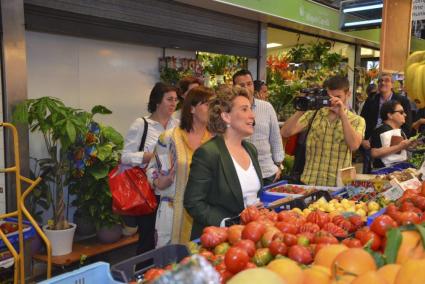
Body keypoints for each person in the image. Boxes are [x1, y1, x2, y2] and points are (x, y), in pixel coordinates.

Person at [184, 87, 263, 239]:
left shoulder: (251, 150)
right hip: (219, 239)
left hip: (250, 236)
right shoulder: (208, 153)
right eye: (244, 109)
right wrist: (229, 222)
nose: (252, 115)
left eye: (250, 109)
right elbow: (193, 203)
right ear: (226, 116)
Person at [146, 86, 213, 247]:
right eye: (207, 104)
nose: (212, 109)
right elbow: (152, 169)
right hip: (172, 214)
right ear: (192, 108)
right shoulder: (169, 138)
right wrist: (158, 182)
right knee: (169, 265)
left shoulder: (215, 141)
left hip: (204, 214)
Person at [121, 82, 179, 254]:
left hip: (172, 190)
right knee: (148, 239)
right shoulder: (142, 124)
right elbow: (125, 156)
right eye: (169, 99)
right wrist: (148, 156)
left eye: (175, 100)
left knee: (168, 238)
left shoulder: (177, 125)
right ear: (157, 101)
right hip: (148, 190)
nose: (173, 104)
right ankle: (144, 276)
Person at [280, 75, 365, 187]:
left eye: (338, 97)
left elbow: (354, 145)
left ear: (348, 95)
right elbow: (285, 132)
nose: (333, 101)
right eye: (329, 97)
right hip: (310, 183)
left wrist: (342, 114)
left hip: (338, 186)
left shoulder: (357, 120)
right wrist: (303, 106)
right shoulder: (314, 114)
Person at [233, 70, 284, 185]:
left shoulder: (267, 107)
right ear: (235, 88)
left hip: (268, 173)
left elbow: (275, 138)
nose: (246, 88)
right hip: (242, 173)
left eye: (249, 84)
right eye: (242, 85)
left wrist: (279, 165)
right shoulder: (230, 110)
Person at [370, 101, 415, 168]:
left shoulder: (399, 130)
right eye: (401, 112)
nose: (405, 115)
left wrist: (411, 145)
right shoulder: (382, 130)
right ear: (390, 115)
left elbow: (401, 149)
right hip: (384, 172)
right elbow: (374, 153)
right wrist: (400, 146)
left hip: (398, 169)